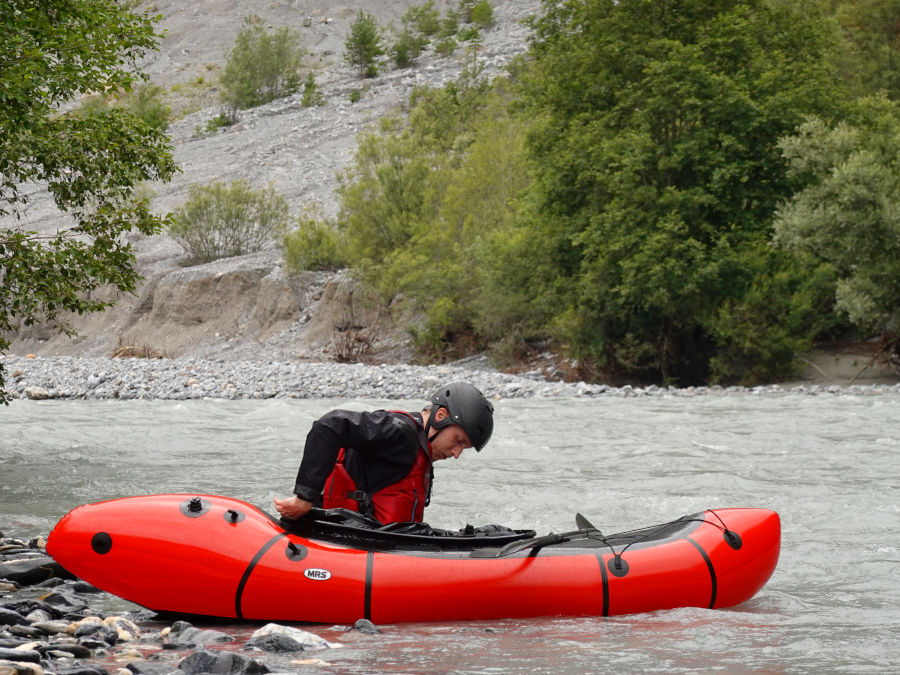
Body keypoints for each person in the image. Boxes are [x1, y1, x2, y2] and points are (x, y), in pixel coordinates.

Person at [273, 381, 494, 524]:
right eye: (458, 441)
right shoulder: (398, 432)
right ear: (440, 415)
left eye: (463, 449)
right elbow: (330, 426)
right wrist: (304, 497)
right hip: (345, 542)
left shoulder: (420, 445)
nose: (456, 453)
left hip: (383, 545)